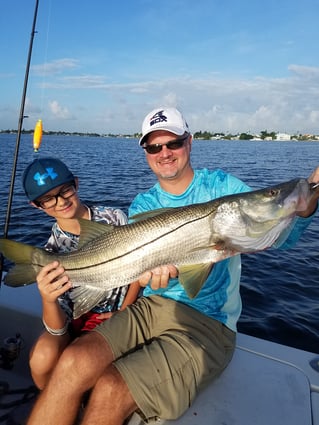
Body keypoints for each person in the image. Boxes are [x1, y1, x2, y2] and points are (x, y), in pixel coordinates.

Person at [27, 109, 319, 425]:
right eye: (154, 147)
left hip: (208, 321)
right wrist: (148, 279)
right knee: (71, 361)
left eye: (174, 143)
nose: (164, 153)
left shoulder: (223, 187)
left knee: (111, 387)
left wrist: (308, 196)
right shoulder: (143, 204)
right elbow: (141, 275)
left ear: (189, 143)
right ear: (146, 153)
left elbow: (282, 238)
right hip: (149, 307)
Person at [23, 157, 140, 390]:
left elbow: (138, 267)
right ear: (36, 206)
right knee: (41, 358)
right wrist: (47, 299)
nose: (60, 201)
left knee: (84, 364)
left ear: (76, 183)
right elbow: (58, 326)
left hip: (117, 313)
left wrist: (124, 311)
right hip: (75, 320)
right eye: (47, 198)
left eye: (65, 190)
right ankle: (60, 405)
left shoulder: (114, 219)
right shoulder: (51, 251)